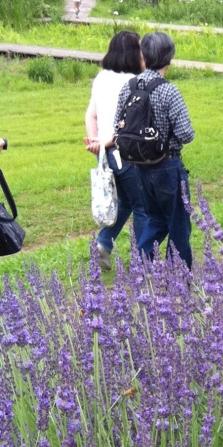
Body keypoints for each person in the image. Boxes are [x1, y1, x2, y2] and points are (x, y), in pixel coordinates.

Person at [114, 32, 194, 268]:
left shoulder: (127, 88)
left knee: (155, 220)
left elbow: (117, 127)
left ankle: (141, 265)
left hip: (139, 167)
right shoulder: (169, 91)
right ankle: (180, 279)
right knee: (178, 223)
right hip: (168, 166)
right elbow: (186, 133)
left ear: (143, 57)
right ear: (169, 58)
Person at [84, 30, 145, 268]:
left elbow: (90, 114)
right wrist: (106, 142)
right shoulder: (132, 82)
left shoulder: (101, 78)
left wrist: (95, 142)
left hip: (106, 152)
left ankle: (104, 244)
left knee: (125, 201)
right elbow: (126, 123)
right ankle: (143, 258)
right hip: (124, 150)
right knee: (141, 204)